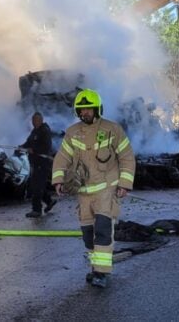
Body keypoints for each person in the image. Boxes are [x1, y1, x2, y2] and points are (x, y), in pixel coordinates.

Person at [52, 89, 136, 288]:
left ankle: (102, 273)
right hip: (83, 193)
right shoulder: (73, 133)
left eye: (89, 109)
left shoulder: (112, 130)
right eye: (81, 110)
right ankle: (95, 268)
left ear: (97, 109)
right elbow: (62, 157)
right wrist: (58, 180)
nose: (85, 113)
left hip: (106, 191)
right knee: (88, 234)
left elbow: (126, 157)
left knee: (103, 231)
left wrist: (124, 184)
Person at [21, 112, 56, 218]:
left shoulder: (44, 131)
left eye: (36, 120)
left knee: (37, 186)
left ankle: (36, 210)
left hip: (43, 163)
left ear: (41, 120)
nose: (34, 122)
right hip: (35, 163)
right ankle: (49, 201)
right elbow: (28, 142)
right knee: (37, 184)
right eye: (33, 120)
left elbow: (46, 147)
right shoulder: (35, 131)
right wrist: (21, 147)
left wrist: (34, 150)